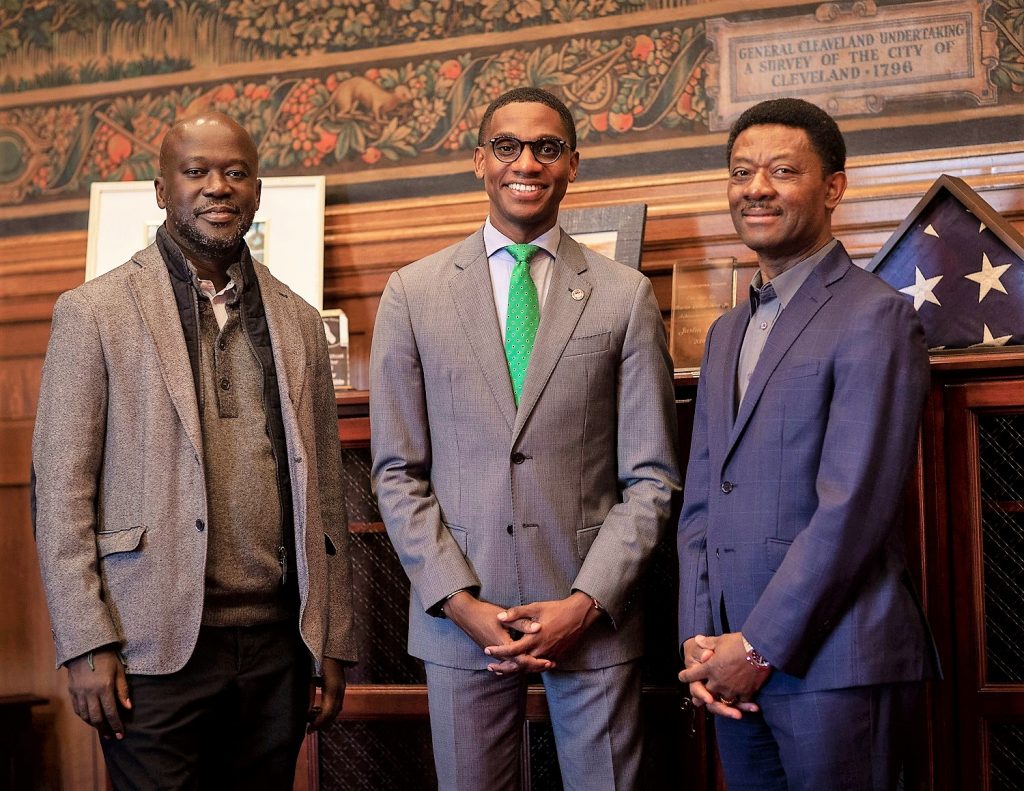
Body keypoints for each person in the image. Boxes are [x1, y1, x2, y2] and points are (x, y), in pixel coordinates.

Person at [32, 112, 355, 789]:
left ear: (257, 191)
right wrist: (86, 639)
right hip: (150, 647)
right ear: (160, 189)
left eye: (235, 172)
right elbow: (60, 493)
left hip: (276, 647)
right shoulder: (94, 312)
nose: (217, 187)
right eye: (197, 172)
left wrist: (330, 636)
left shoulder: (297, 318)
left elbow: (324, 488)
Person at [370, 86, 680, 790]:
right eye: (508, 146)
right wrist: (459, 600)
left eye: (547, 148)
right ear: (480, 161)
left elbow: (653, 476)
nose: (527, 163)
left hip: (592, 616)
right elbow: (396, 470)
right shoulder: (412, 293)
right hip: (461, 621)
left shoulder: (623, 294)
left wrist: (585, 601)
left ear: (573, 164)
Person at [676, 97, 939, 790]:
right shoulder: (725, 333)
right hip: (729, 667)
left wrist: (757, 645)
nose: (756, 187)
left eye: (782, 170)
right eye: (740, 172)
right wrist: (701, 639)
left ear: (833, 187)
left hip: (836, 665)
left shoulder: (876, 317)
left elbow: (852, 510)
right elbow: (702, 499)